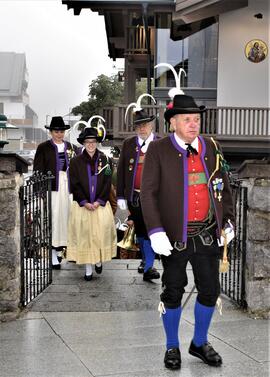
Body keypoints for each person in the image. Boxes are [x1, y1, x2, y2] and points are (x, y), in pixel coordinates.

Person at [140, 93, 235, 370]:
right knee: (172, 292)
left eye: (196, 119)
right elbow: (148, 193)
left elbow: (223, 187)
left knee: (209, 290)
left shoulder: (211, 146)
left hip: (206, 233)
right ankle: (172, 345)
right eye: (187, 120)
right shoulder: (158, 150)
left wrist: (227, 221)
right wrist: (156, 231)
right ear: (173, 123)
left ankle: (199, 342)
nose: (193, 125)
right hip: (173, 238)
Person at [116, 95, 160, 281]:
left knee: (152, 230)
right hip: (134, 197)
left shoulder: (160, 144)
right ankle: (146, 261)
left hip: (155, 197)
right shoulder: (128, 144)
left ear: (151, 126)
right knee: (141, 231)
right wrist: (121, 197)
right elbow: (121, 172)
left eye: (145, 125)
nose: (142, 128)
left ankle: (149, 266)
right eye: (138, 125)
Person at [67, 126, 117, 280]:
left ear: (97, 142)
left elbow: (107, 182)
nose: (90, 144)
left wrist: (99, 201)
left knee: (100, 234)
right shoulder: (75, 162)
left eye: (93, 141)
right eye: (87, 142)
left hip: (100, 205)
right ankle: (88, 269)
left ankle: (99, 261)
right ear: (83, 143)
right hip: (83, 206)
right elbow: (74, 183)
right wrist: (85, 202)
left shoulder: (106, 160)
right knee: (85, 237)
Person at [33, 116, 78, 269]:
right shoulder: (43, 147)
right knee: (53, 219)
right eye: (56, 131)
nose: (59, 134)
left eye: (61, 131)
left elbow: (78, 170)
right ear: (51, 132)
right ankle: (53, 253)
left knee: (68, 218)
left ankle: (63, 251)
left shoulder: (72, 147)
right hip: (52, 188)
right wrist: (39, 191)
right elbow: (38, 170)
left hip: (68, 189)